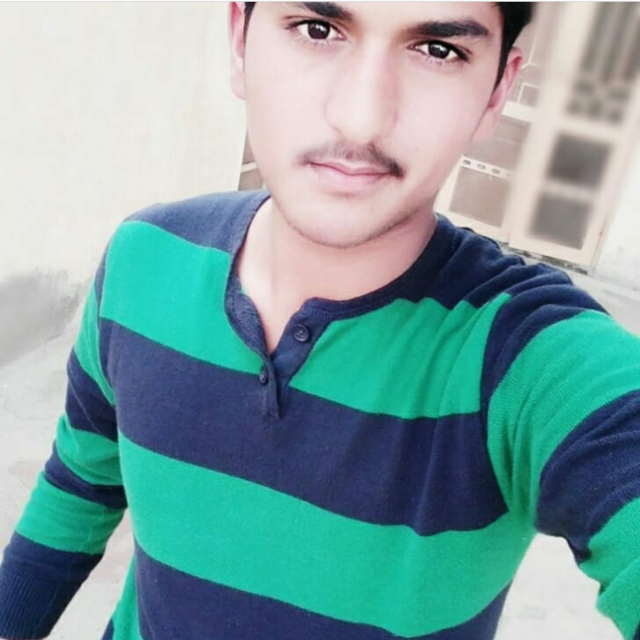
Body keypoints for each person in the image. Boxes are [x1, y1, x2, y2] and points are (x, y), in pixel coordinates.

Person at [1, 2, 640, 639]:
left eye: (437, 50)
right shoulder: (144, 259)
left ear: (497, 91)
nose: (361, 118)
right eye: (318, 29)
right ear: (239, 39)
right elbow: (79, 487)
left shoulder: (525, 356)